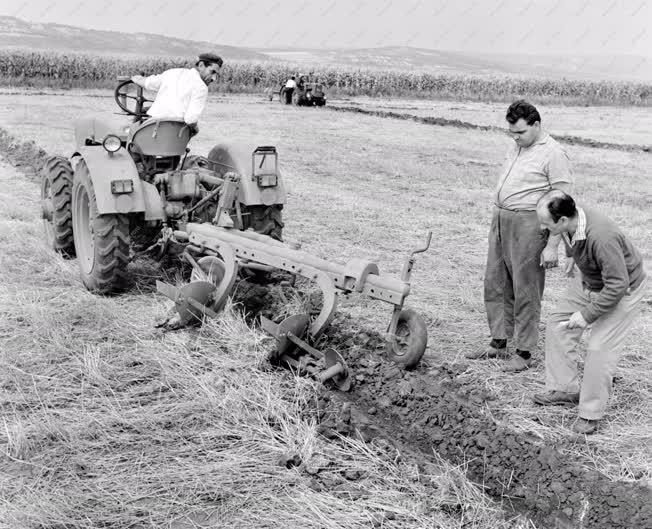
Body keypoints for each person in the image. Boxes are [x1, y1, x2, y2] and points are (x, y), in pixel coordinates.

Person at [466, 100, 573, 372]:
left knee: (526, 289)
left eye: (521, 132)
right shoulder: (517, 146)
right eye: (511, 132)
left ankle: (523, 353)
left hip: (529, 224)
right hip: (501, 220)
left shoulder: (554, 153)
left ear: (537, 125)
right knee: (496, 282)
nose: (515, 137)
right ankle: (498, 343)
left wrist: (552, 245)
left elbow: (562, 204)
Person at [533, 190, 647, 434]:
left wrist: (587, 315)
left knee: (599, 348)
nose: (541, 227)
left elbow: (618, 285)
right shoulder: (572, 218)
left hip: (622, 288)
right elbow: (574, 239)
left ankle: (590, 413)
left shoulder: (603, 237)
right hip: (590, 279)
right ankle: (565, 388)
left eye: (545, 223)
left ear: (562, 220)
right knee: (558, 323)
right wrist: (574, 255)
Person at [130, 53, 223, 135]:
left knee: (133, 128)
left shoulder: (173, 73)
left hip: (153, 127)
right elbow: (191, 119)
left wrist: (136, 78)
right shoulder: (201, 87)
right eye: (212, 72)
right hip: (175, 134)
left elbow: (148, 83)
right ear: (201, 65)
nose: (214, 78)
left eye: (216, 75)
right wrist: (195, 129)